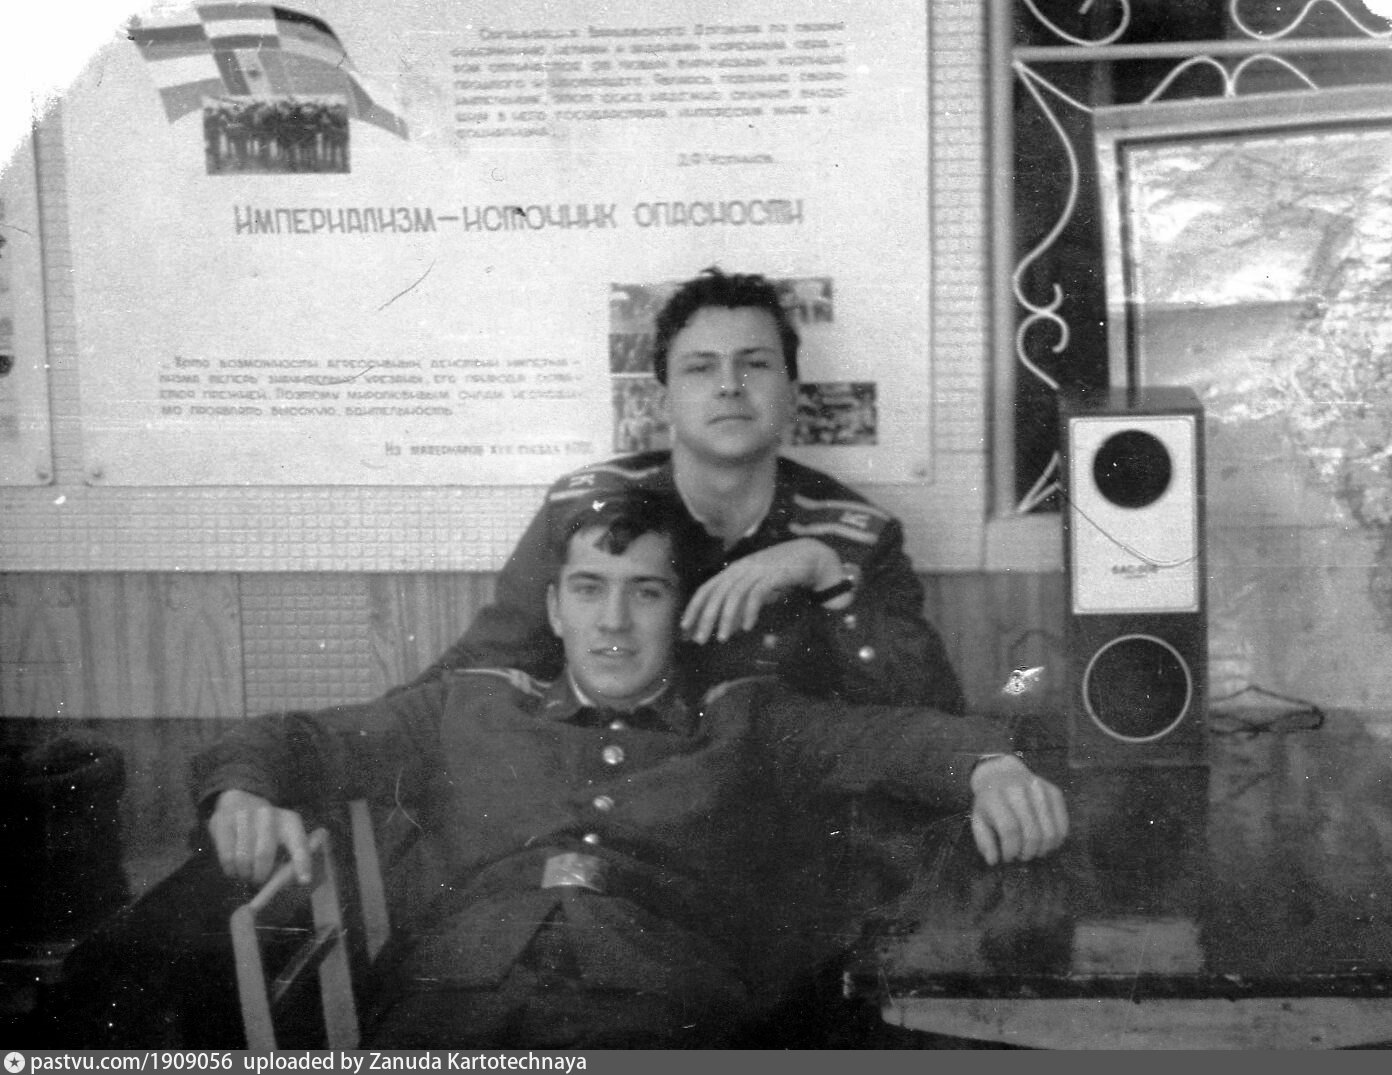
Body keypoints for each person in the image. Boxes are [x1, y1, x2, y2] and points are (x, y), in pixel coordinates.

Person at [193, 490, 1068, 1049]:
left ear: (678, 608)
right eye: (589, 588)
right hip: (454, 1010)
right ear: (554, 607)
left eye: (644, 591)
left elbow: (898, 736)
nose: (613, 621)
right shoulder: (466, 705)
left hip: (666, 1011)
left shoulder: (745, 718)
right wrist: (243, 791)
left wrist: (991, 768)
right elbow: (291, 737)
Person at [400, 267, 964, 711]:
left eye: (755, 364)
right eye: (700, 368)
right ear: (663, 400)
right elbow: (481, 668)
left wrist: (825, 577)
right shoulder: (585, 507)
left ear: (793, 396)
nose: (729, 386)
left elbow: (930, 711)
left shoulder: (854, 535)